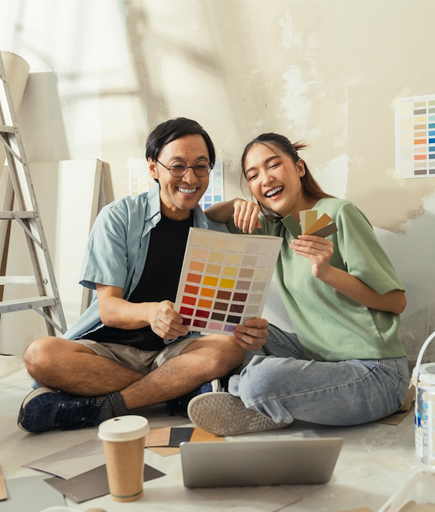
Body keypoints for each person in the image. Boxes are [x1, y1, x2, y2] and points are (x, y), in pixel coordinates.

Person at [17, 118, 270, 433]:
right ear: (153, 168)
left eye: (201, 166)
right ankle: (180, 393)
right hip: (109, 351)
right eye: (177, 166)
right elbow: (109, 309)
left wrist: (247, 329)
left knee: (230, 347)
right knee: (41, 355)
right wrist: (152, 312)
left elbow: (222, 315)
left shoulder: (216, 230)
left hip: (178, 351)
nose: (189, 178)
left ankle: (106, 406)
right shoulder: (118, 218)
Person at [188, 132, 409, 436]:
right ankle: (267, 401)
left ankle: (246, 392)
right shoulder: (276, 228)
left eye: (273, 165)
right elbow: (205, 220)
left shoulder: (336, 214)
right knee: (243, 328)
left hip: (374, 372)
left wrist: (328, 273)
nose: (265, 179)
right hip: (318, 358)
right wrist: (237, 204)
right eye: (253, 175)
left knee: (260, 380)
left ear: (299, 168)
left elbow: (396, 301)